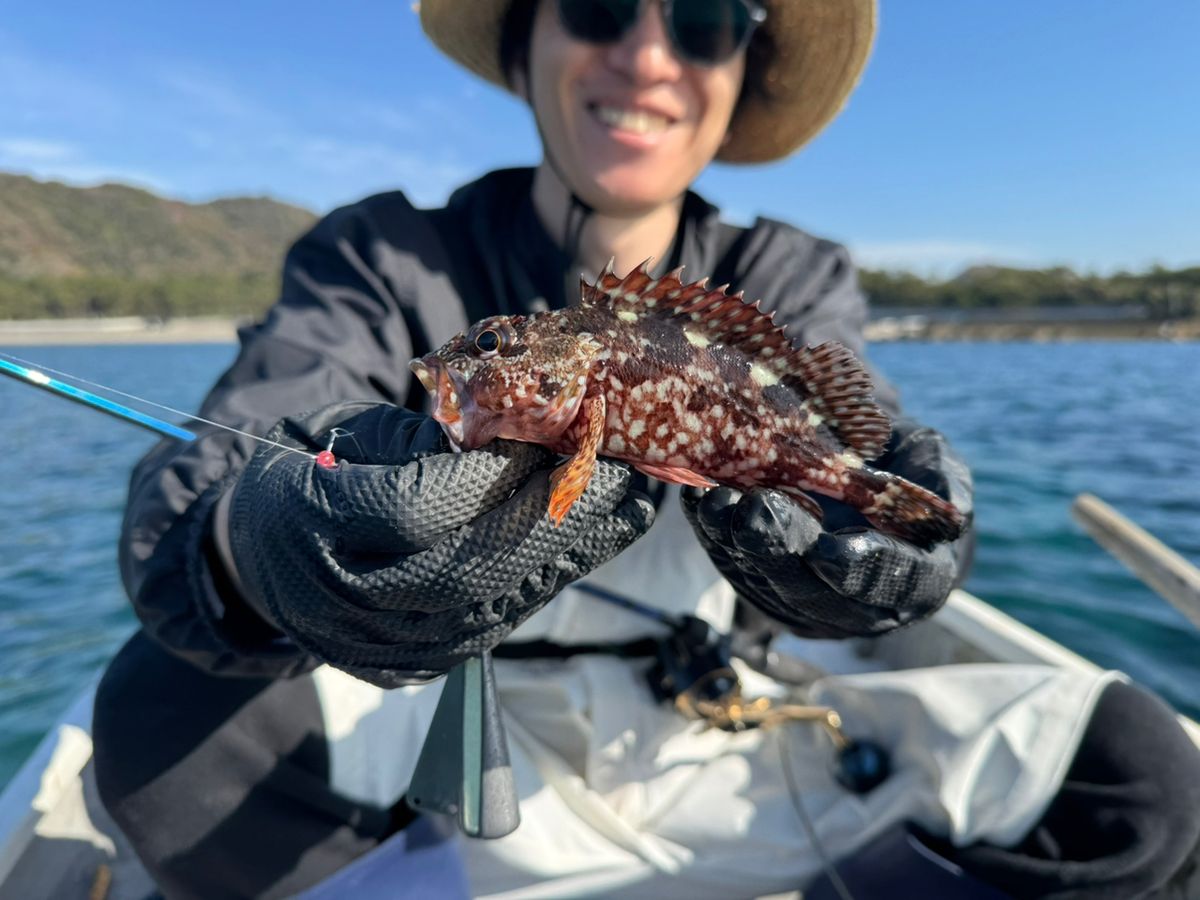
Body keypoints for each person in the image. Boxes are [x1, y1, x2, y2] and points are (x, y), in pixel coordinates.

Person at [92, 0, 1200, 897]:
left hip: (717, 727)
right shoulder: (382, 258)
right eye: (600, 6)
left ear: (741, 68)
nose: (649, 54)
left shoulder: (794, 276)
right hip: (446, 730)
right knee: (157, 716)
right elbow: (201, 488)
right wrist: (254, 540)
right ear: (525, 38)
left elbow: (858, 447)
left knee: (1144, 777)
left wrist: (873, 537)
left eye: (709, 18)